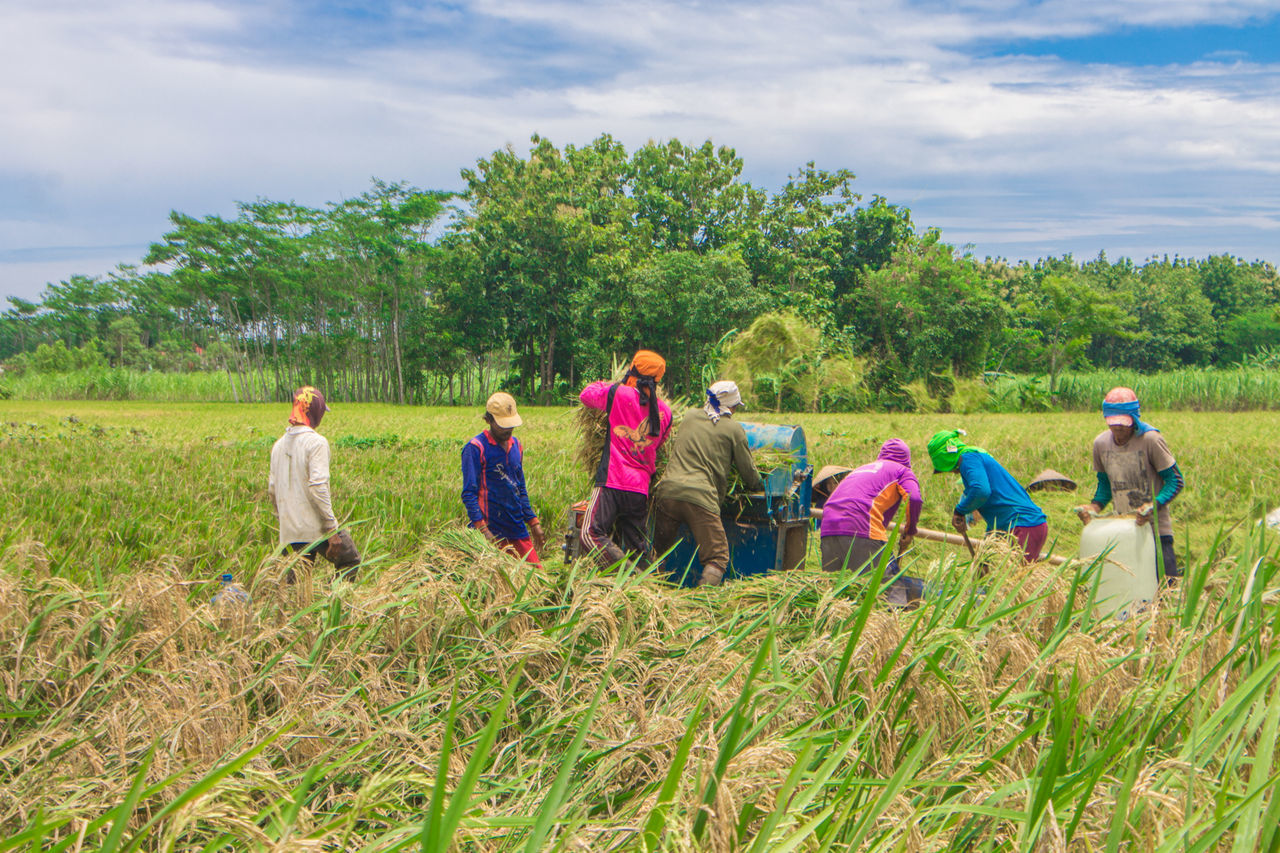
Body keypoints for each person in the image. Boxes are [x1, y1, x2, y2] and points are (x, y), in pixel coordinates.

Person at [651, 380, 763, 587]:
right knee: (718, 557)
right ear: (732, 406)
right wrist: (759, 486)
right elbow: (748, 472)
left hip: (667, 493)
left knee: (658, 552)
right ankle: (702, 603)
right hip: (700, 498)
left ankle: (650, 592)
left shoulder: (690, 416)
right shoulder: (734, 429)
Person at [1075, 386, 1184, 584]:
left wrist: (1154, 505)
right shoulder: (1101, 444)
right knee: (1131, 589)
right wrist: (1094, 507)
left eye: (1123, 423)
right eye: (1112, 423)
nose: (1117, 428)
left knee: (1166, 591)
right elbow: (1105, 486)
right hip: (1124, 531)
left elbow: (1175, 481)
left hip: (1156, 532)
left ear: (1134, 418)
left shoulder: (1150, 440)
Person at [578, 350, 674, 568]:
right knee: (636, 549)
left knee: (589, 534)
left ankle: (628, 573)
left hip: (612, 480)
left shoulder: (619, 394)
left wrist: (611, 383)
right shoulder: (666, 413)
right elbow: (657, 445)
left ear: (634, 369)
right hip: (639, 489)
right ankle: (644, 582)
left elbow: (586, 395)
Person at [819, 439, 924, 604]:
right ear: (907, 460)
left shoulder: (861, 469)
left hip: (828, 528)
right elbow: (915, 499)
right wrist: (910, 531)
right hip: (861, 528)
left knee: (834, 594)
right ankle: (894, 625)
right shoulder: (901, 471)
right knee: (891, 588)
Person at [269, 386, 354, 578]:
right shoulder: (316, 443)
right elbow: (318, 487)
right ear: (315, 411)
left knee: (295, 585)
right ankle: (337, 602)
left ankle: (302, 606)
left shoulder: (278, 445)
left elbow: (272, 490)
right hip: (316, 527)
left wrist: (285, 521)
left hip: (290, 531)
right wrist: (332, 530)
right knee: (349, 559)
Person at [927, 429, 1048, 564]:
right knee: (998, 576)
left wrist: (959, 510)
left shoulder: (968, 458)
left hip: (1024, 525)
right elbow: (994, 515)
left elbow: (981, 491)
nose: (951, 472)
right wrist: (983, 557)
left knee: (1016, 581)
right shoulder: (975, 458)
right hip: (1016, 526)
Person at [461, 392, 545, 566]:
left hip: (516, 527)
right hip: (491, 530)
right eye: (502, 426)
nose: (507, 430)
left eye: (510, 425)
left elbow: (519, 488)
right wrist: (483, 531)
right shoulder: (476, 448)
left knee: (535, 577)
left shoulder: (517, 446)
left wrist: (533, 522)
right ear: (489, 420)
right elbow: (469, 493)